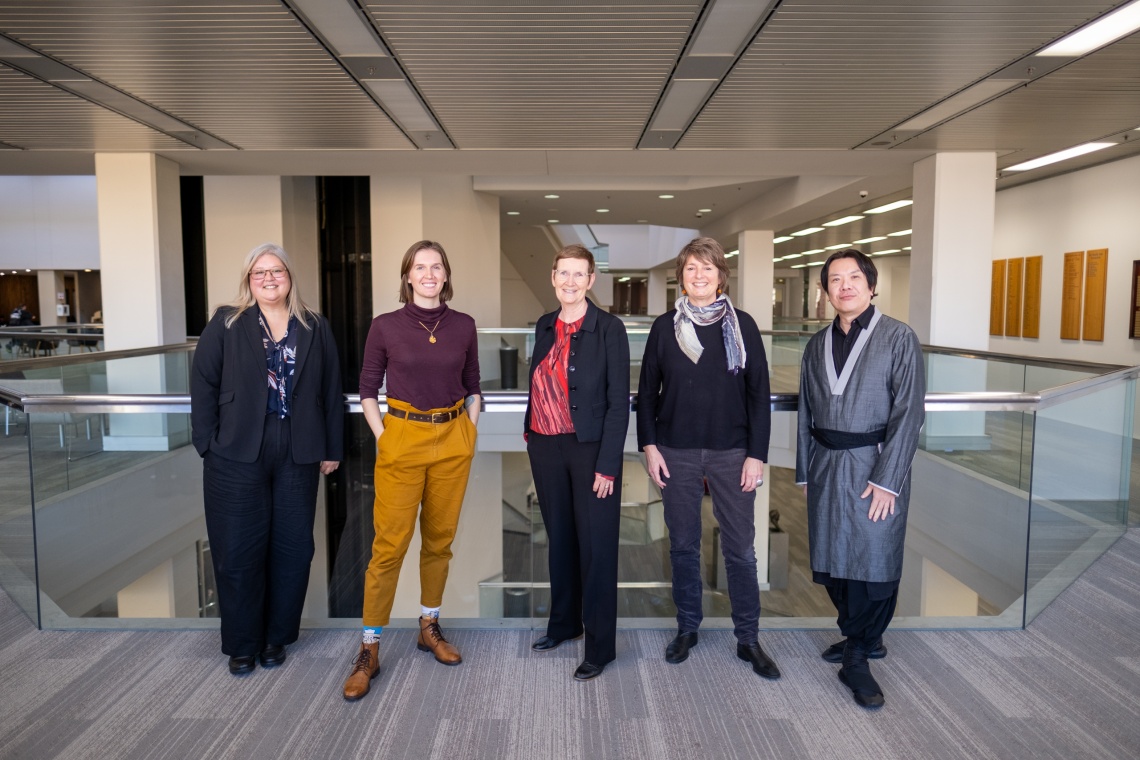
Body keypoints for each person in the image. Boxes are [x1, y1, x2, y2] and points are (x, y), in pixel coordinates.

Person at [191, 242, 343, 676]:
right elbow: (202, 384)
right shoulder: (227, 322)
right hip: (236, 452)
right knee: (238, 550)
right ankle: (243, 644)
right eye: (260, 273)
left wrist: (332, 447)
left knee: (294, 550)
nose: (269, 279)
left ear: (290, 277)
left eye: (276, 271)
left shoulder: (313, 325)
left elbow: (330, 389)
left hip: (298, 450)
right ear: (248, 281)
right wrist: (208, 443)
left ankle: (277, 637)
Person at [342, 240, 481, 701]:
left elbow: (474, 385)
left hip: (452, 439)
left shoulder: (463, 326)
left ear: (445, 274)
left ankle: (429, 625)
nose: (427, 273)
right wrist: (386, 437)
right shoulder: (385, 326)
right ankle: (369, 648)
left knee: (439, 541)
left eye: (435, 266)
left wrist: (469, 433)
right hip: (402, 439)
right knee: (389, 546)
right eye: (419, 267)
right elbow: (366, 388)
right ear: (407, 276)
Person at [637, 237, 780, 681]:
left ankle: (749, 638)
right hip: (675, 451)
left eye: (708, 268)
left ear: (721, 276)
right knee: (682, 546)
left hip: (732, 453)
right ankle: (687, 628)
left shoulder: (744, 326)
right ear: (681, 276)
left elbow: (759, 395)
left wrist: (757, 455)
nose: (699, 276)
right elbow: (646, 395)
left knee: (740, 549)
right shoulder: (664, 328)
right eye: (691, 269)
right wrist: (650, 446)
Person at [796, 248, 925, 709]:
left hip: (874, 465)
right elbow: (807, 415)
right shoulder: (815, 346)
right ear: (826, 291)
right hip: (827, 464)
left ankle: (857, 650)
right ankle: (863, 636)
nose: (844, 285)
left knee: (874, 558)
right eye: (835, 279)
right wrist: (804, 471)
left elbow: (909, 413)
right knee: (831, 561)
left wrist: (889, 479)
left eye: (854, 277)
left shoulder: (898, 338)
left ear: (872, 287)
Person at [525, 244, 630, 681]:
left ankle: (600, 647)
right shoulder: (545, 324)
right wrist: (532, 432)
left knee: (597, 549)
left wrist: (607, 465)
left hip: (591, 452)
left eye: (578, 274)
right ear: (553, 277)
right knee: (561, 541)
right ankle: (564, 624)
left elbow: (618, 404)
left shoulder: (609, 328)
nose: (570, 281)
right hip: (546, 448)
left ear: (591, 281)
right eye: (562, 273)